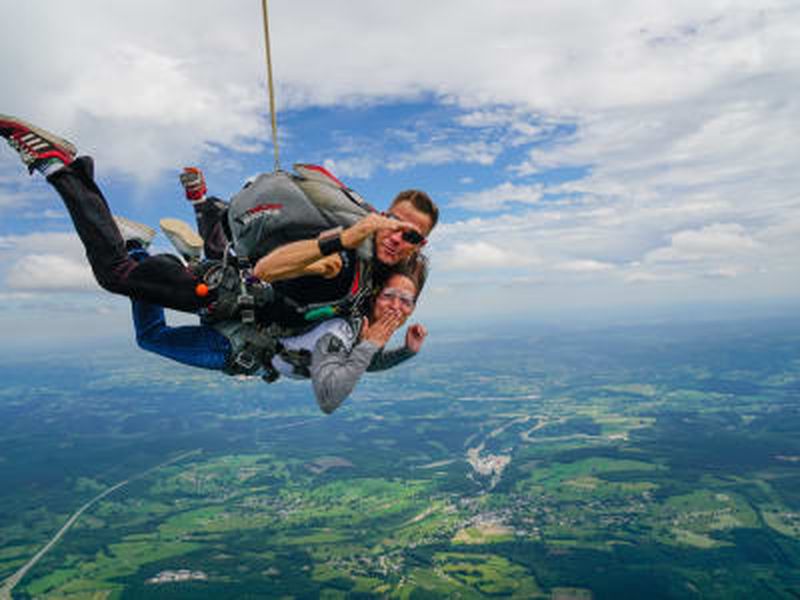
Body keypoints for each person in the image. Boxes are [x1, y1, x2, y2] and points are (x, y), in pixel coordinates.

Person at [0, 115, 438, 322]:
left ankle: (192, 206)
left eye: (412, 236)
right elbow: (271, 268)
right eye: (392, 223)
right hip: (226, 293)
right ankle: (60, 168)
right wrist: (342, 240)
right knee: (117, 273)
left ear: (420, 244)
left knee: (215, 243)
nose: (397, 237)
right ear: (379, 216)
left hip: (235, 272)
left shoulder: (382, 274)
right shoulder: (345, 253)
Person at [129, 238, 428, 414]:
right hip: (236, 347)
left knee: (201, 293)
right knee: (151, 336)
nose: (396, 307)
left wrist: (406, 351)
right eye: (390, 296)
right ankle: (137, 252)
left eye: (406, 301)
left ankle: (182, 258)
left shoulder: (356, 314)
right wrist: (372, 344)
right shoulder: (346, 327)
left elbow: (364, 363)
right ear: (375, 293)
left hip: (246, 325)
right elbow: (330, 395)